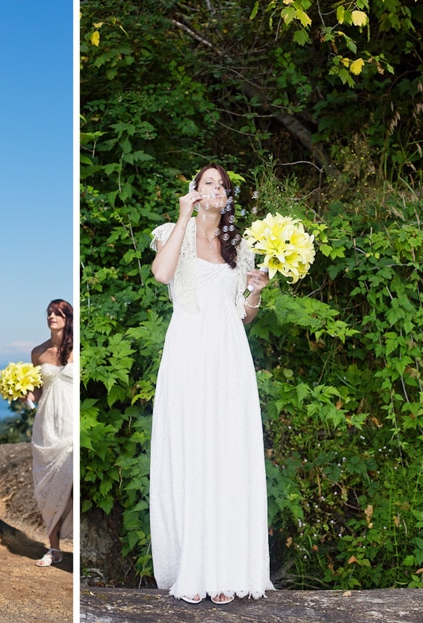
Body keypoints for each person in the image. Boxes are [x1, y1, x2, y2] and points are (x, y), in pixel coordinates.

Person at [149, 164, 274, 604]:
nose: (217, 189)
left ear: (228, 196)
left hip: (229, 354)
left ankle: (227, 568)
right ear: (196, 192)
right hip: (188, 349)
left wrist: (255, 290)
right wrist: (184, 217)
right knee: (193, 447)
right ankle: (194, 567)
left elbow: (243, 312)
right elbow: (162, 275)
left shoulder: (240, 247)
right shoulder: (171, 231)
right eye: (208, 183)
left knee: (228, 451)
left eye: (222, 185)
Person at [25, 299, 74, 567]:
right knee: (47, 489)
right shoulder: (38, 353)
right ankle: (54, 549)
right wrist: (25, 394)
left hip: (71, 425)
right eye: (48, 313)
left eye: (57, 313)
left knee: (72, 486)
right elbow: (37, 391)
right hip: (46, 426)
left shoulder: (78, 348)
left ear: (68, 318)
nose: (51, 317)